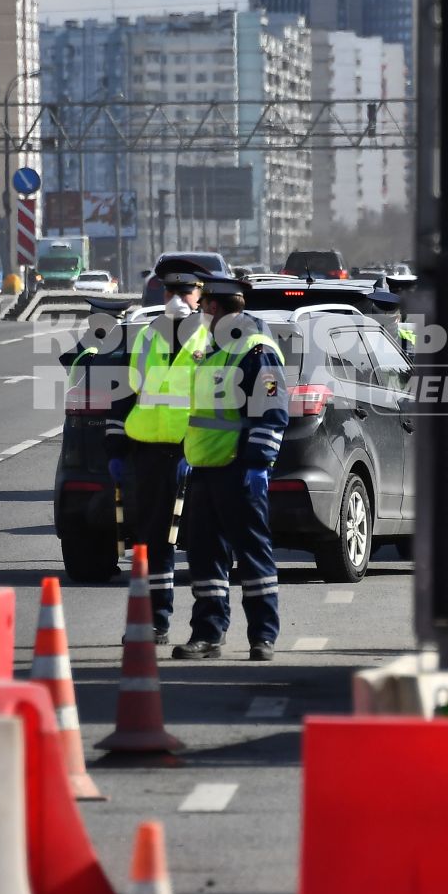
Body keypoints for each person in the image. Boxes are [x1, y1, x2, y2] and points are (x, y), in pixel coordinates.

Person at [173, 276, 290, 661]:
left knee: (253, 556)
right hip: (204, 470)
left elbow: (271, 413)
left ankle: (263, 636)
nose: (200, 312)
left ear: (220, 306)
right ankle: (208, 634)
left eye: (205, 305)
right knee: (204, 559)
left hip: (239, 471)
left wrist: (257, 466)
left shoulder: (257, 351)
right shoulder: (207, 350)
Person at [105, 259, 209, 642]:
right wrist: (116, 447)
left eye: (186, 291)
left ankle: (207, 629)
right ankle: (156, 620)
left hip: (196, 454)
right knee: (152, 542)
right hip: (148, 453)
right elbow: (126, 393)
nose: (177, 298)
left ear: (200, 296)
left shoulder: (212, 338)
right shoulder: (148, 335)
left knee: (202, 541)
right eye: (170, 291)